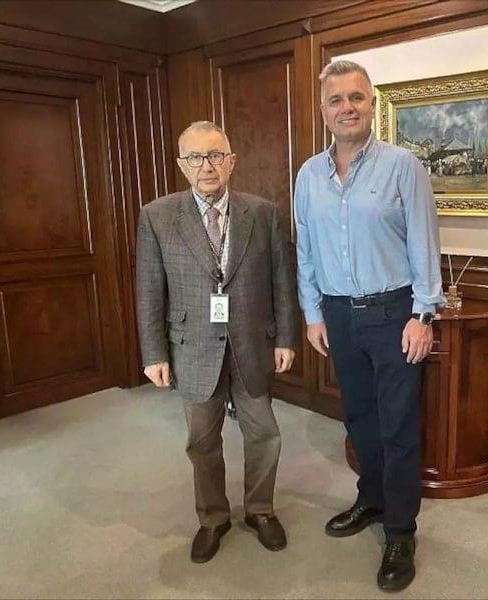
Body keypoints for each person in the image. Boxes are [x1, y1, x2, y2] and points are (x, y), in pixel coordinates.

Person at [294, 60, 443, 592]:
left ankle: (400, 531)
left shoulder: (402, 166)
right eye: (336, 100)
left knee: (398, 425)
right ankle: (373, 499)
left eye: (356, 97)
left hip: (393, 314)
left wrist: (423, 315)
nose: (347, 108)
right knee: (359, 418)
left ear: (372, 105)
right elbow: (306, 250)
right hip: (338, 314)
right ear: (323, 111)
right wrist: (313, 313)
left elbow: (425, 242)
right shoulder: (308, 175)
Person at [136, 121, 298, 564]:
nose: (206, 166)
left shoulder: (262, 213)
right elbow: (149, 290)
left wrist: (286, 338)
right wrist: (153, 353)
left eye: (215, 155)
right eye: (195, 157)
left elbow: (281, 281)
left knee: (265, 434)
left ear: (231, 161)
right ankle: (212, 518)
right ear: (181, 165)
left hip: (252, 343)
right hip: (191, 347)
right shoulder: (157, 216)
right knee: (201, 441)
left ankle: (260, 510)